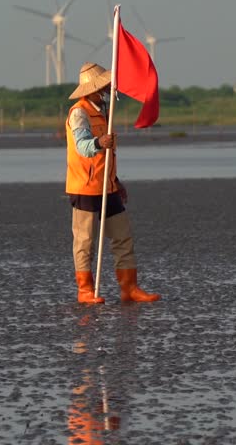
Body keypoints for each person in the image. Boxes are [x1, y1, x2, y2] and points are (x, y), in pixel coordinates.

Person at [66, 61, 161, 304]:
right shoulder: (79, 112)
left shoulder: (104, 108)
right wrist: (100, 142)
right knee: (85, 241)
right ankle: (85, 290)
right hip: (85, 187)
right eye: (105, 85)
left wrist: (116, 181)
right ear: (93, 89)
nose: (109, 87)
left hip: (108, 186)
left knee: (123, 236)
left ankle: (129, 288)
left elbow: (106, 155)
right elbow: (83, 146)